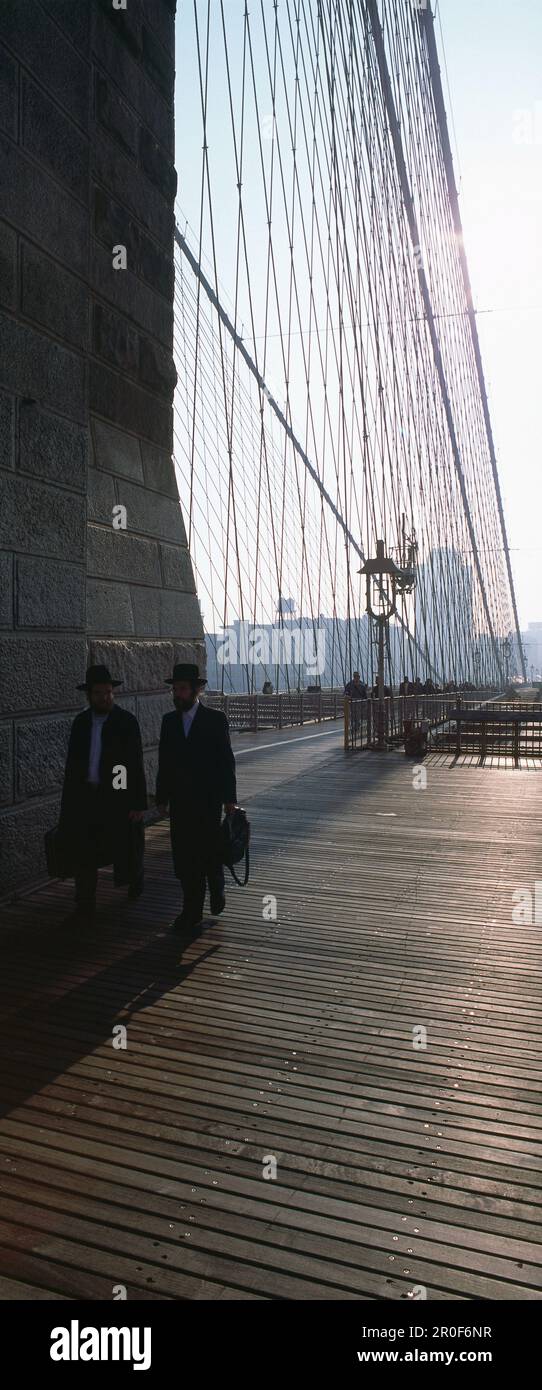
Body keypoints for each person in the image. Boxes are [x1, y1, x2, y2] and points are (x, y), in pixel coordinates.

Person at [59, 665, 147, 920]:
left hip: (115, 796)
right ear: (89, 695)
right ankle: (84, 903)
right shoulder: (81, 723)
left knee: (125, 846)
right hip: (87, 798)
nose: (105, 697)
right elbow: (73, 766)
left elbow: (132, 764)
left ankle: (135, 879)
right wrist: (71, 804)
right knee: (84, 852)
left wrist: (134, 802)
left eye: (109, 692)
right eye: (99, 693)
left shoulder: (125, 722)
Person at [156, 663, 238, 931]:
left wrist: (229, 799)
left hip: (208, 800)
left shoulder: (215, 720)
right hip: (180, 801)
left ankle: (216, 886)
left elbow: (226, 762)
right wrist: (162, 797)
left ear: (195, 690)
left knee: (207, 853)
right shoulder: (169, 722)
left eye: (182, 689)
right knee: (184, 857)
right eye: (175, 689)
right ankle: (190, 911)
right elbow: (164, 762)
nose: (177, 694)